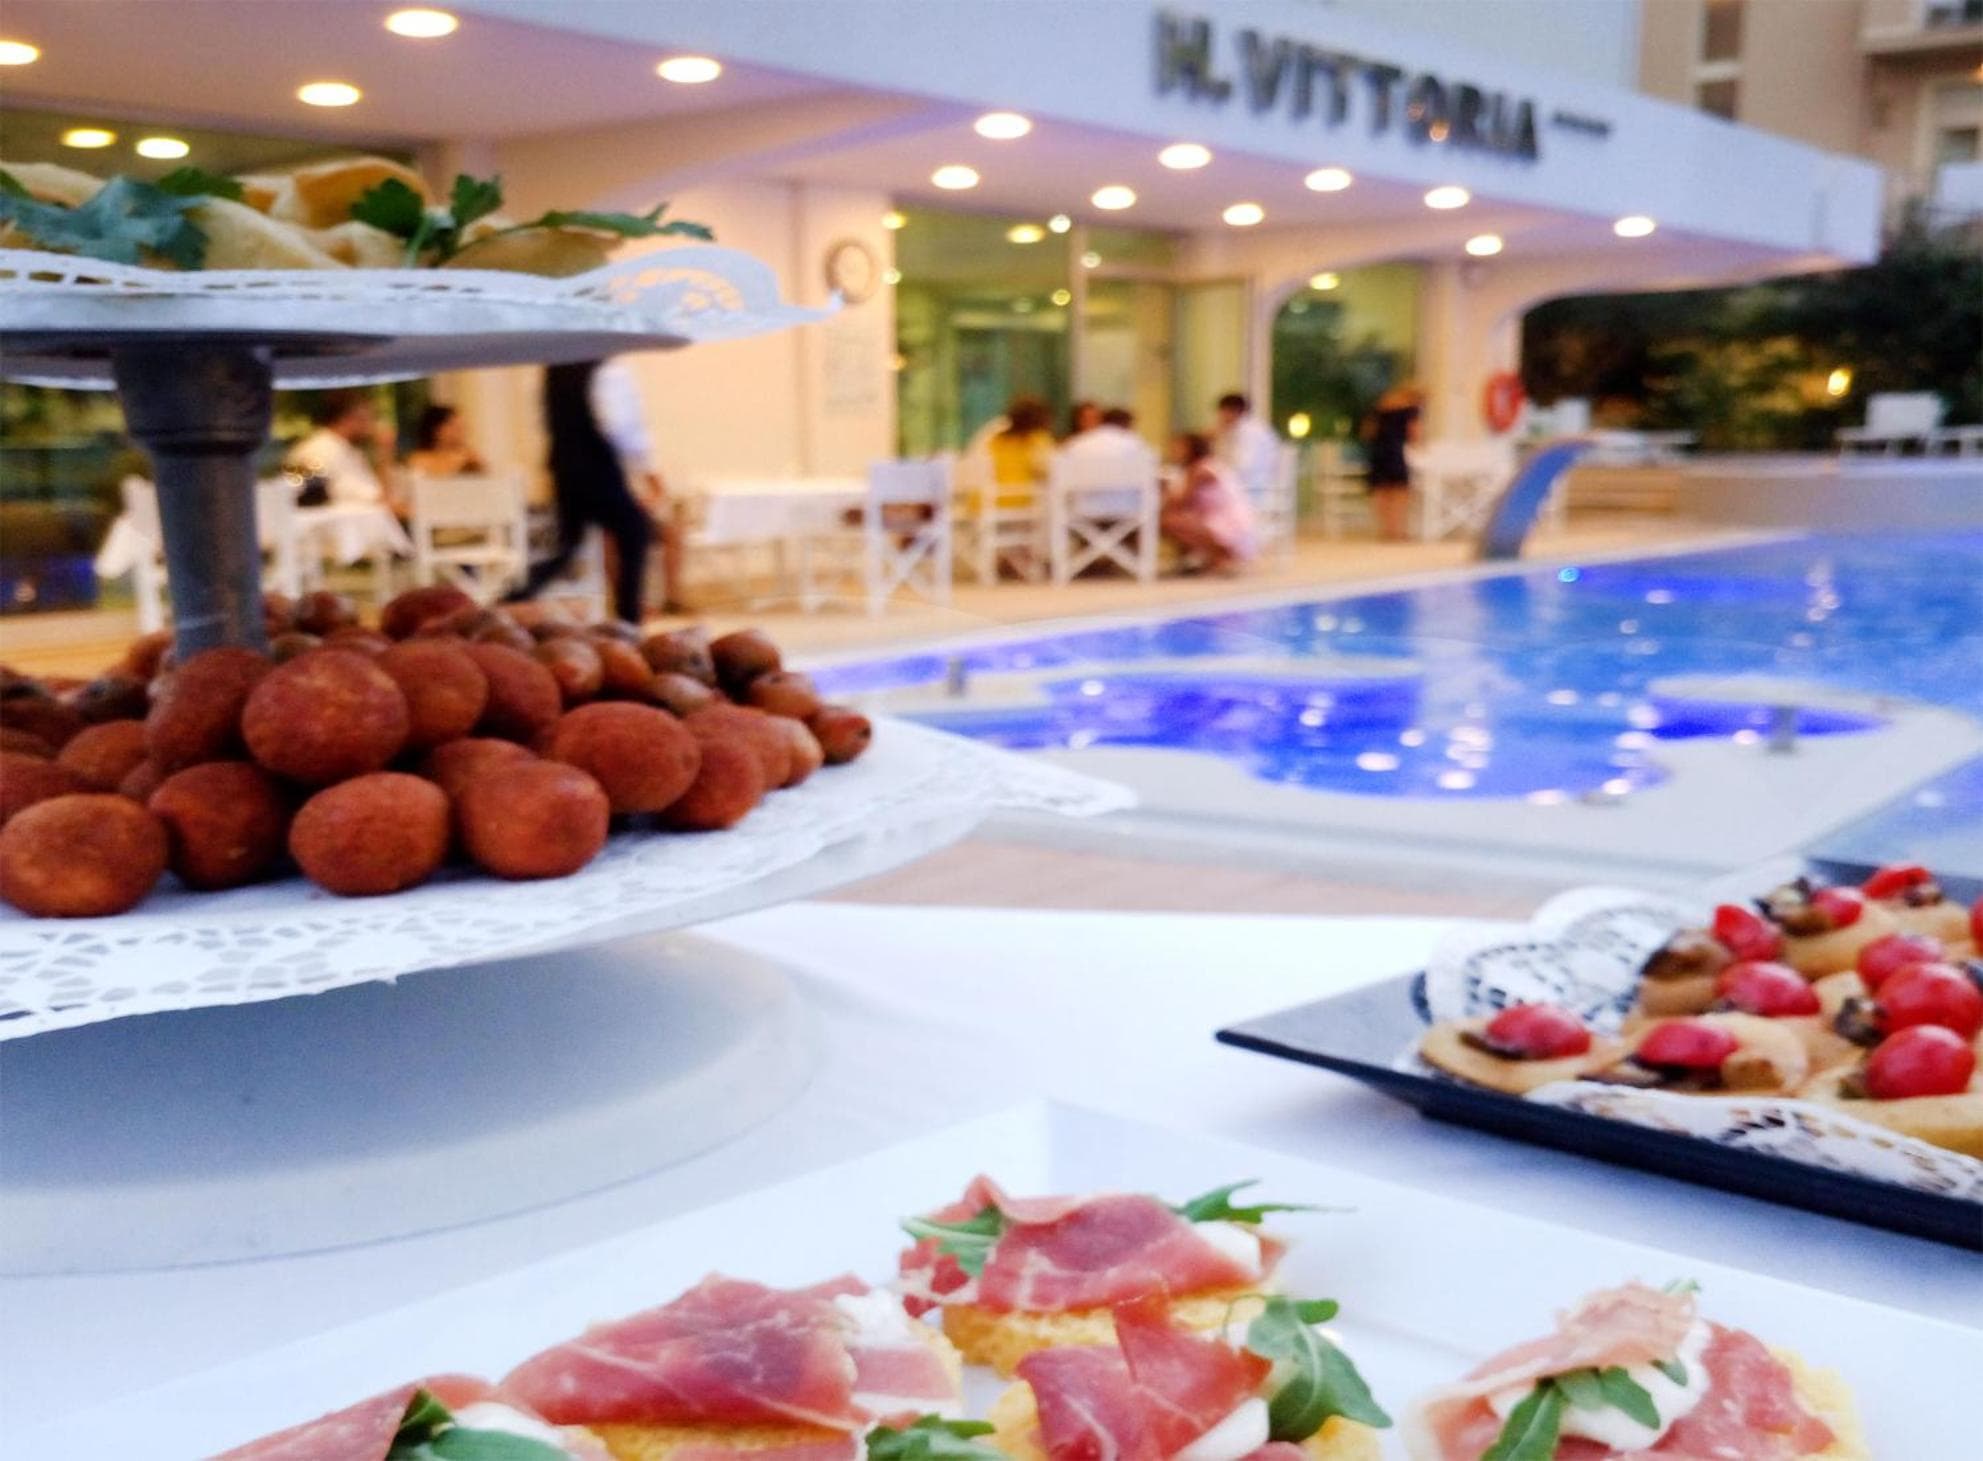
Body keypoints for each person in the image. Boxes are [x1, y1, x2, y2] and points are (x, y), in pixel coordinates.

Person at [510, 358, 681, 624]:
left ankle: (513, 597)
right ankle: (628, 618)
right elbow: (621, 427)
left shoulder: (554, 370)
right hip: (598, 467)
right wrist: (648, 472)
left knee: (569, 545)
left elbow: (544, 421)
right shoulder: (609, 371)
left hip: (565, 469)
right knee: (634, 531)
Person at [1162, 431, 1257, 575]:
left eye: (1179, 447)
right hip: (1223, 522)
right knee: (1172, 517)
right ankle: (1207, 559)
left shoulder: (1202, 470)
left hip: (1231, 528)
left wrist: (1164, 489)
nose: (1174, 451)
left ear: (1192, 449)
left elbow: (1179, 502)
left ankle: (1222, 558)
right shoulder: (1206, 466)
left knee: (1169, 520)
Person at [287, 389, 394, 510]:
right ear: (349, 418)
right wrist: (385, 453)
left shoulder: (343, 448)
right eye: (369, 417)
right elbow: (378, 500)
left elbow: (378, 496)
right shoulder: (322, 450)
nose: (372, 425)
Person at [1361, 380, 1423, 542]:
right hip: (1395, 452)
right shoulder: (1410, 410)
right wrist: (1419, 446)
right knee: (1400, 492)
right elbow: (1414, 432)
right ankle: (1399, 530)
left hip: (1378, 452)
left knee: (1381, 492)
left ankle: (1385, 530)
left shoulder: (1379, 408)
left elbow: (1367, 431)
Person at [1212, 391, 1278, 501]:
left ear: (1234, 411)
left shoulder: (1248, 432)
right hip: (1252, 485)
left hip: (1251, 488)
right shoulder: (1247, 428)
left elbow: (1242, 466)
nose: (1220, 417)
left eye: (1222, 412)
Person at [986, 396, 1056, 497]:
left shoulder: (996, 439)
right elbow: (1047, 470)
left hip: (994, 498)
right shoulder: (1038, 439)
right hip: (1023, 499)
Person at [403, 404, 485, 479]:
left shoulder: (470, 459)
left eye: (461, 427)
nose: (461, 431)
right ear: (436, 430)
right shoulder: (418, 460)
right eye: (454, 426)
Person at [1057, 406, 1145, 464]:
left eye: (1095, 418)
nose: (1090, 422)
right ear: (1077, 420)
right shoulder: (1069, 444)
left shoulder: (1113, 445)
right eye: (1086, 418)